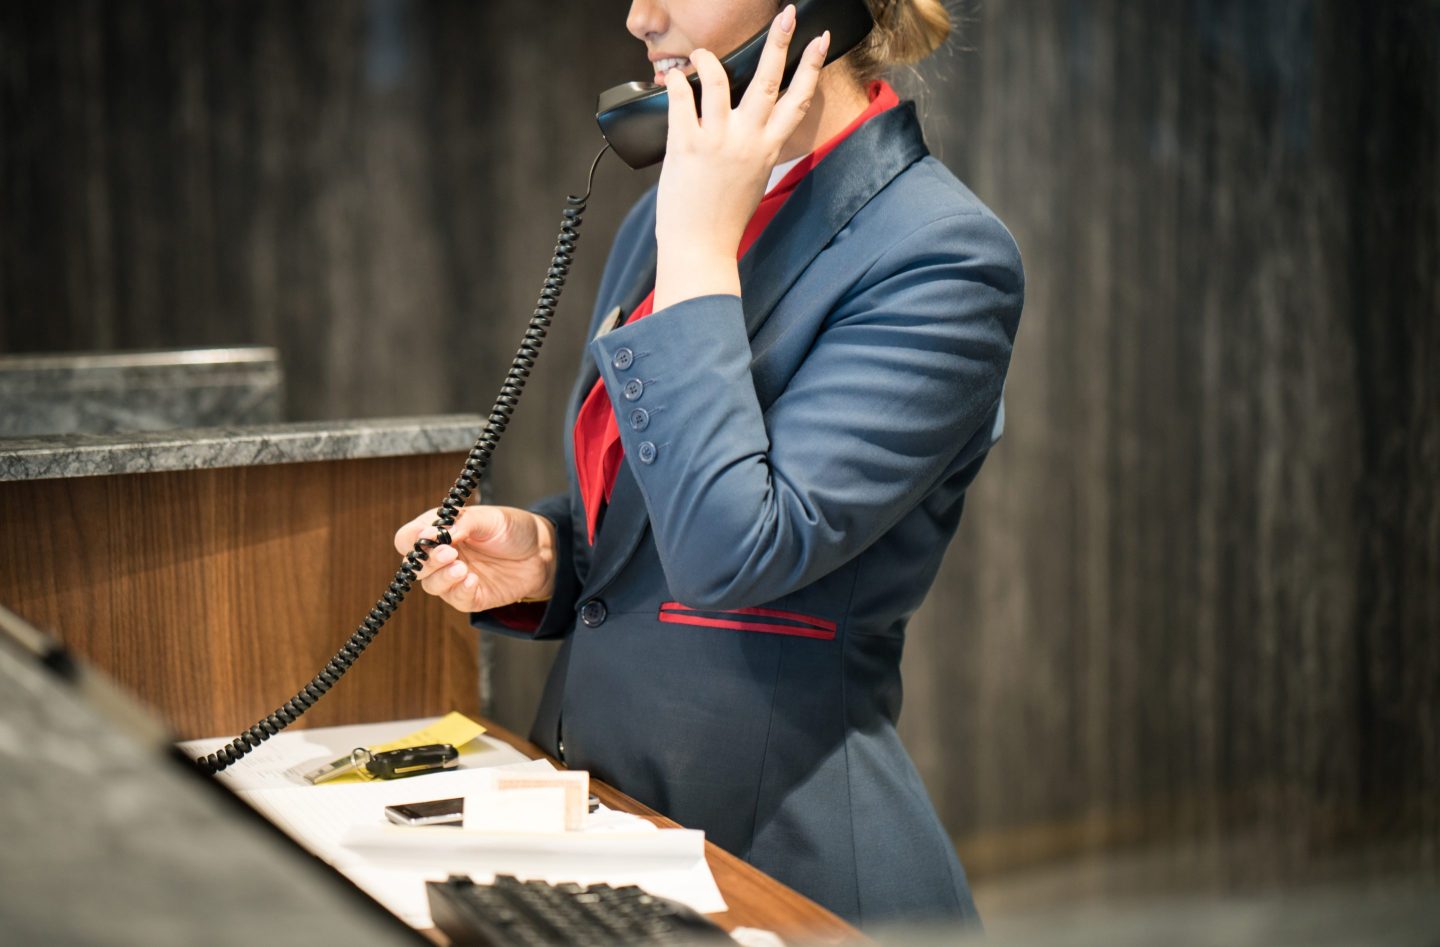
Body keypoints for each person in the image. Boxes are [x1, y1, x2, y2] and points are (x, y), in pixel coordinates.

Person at [395, 0, 1023, 928]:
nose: (638, 16)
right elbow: (661, 505)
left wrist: (695, 245)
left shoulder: (940, 256)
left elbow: (740, 549)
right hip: (609, 818)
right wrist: (554, 553)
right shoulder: (663, 218)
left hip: (782, 868)